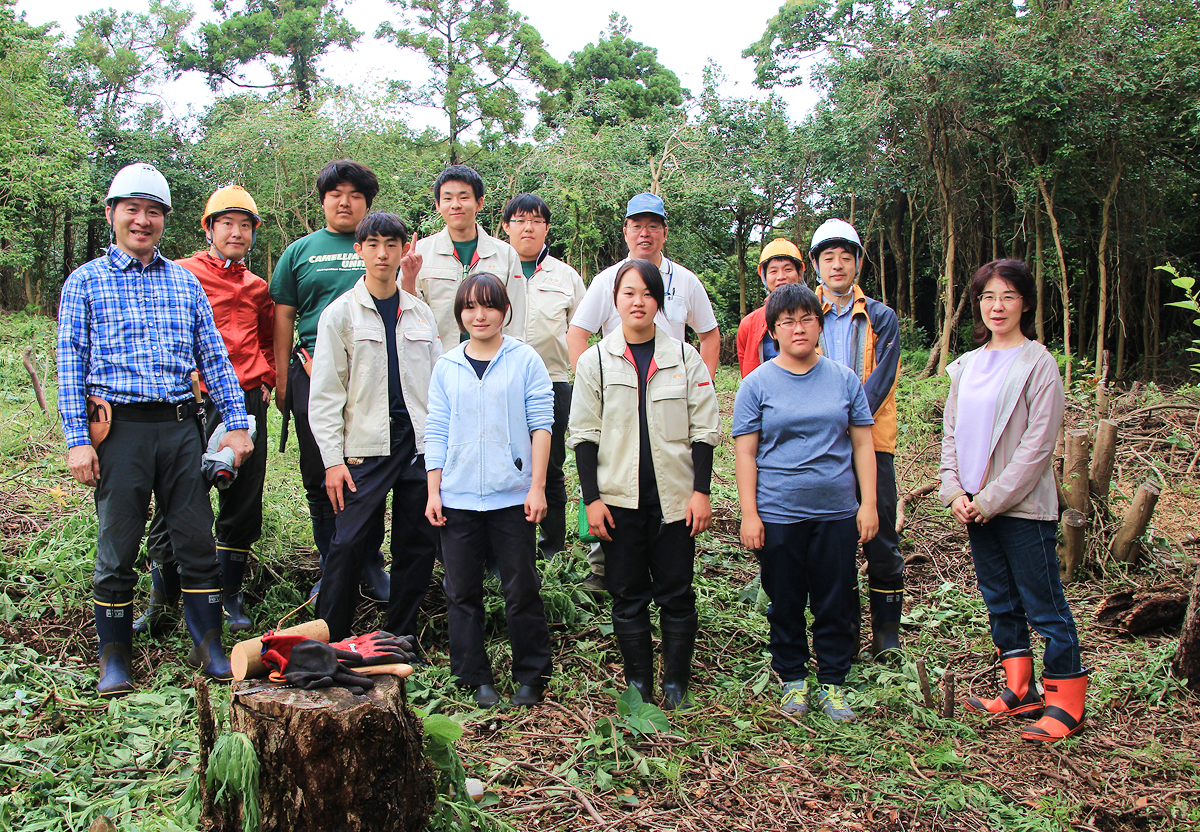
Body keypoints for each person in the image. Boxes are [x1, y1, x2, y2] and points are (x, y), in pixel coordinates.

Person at [57, 163, 253, 697]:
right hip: (118, 431)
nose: (142, 221)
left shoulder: (182, 282)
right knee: (117, 547)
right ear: (112, 215)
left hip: (178, 428)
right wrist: (77, 439)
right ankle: (115, 655)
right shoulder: (85, 283)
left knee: (195, 538)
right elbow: (71, 363)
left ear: (165, 219)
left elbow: (212, 355)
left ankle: (209, 642)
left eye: (153, 212)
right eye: (132, 210)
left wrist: (236, 425)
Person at [940, 258, 1086, 744]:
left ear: (1024, 302)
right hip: (975, 507)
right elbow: (952, 435)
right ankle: (1019, 690)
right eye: (987, 297)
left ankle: (1066, 700)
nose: (996, 306)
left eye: (1007, 296)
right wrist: (955, 491)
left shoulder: (1039, 365)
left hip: (1021, 509)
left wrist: (992, 498)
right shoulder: (966, 366)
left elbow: (1038, 446)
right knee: (999, 601)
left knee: (1044, 605)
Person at [568, 259, 720, 711]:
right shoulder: (596, 359)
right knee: (628, 593)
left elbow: (705, 429)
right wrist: (592, 500)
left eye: (647, 293)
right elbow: (583, 434)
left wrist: (701, 492)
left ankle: (676, 680)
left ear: (659, 301)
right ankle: (639, 682)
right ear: (615, 300)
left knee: (676, 591)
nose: (638, 301)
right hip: (617, 501)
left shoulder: (685, 357)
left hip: (674, 500)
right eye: (628, 293)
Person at [733, 282, 878, 722]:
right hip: (779, 511)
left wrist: (867, 504)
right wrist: (750, 515)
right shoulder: (757, 384)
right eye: (787, 322)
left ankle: (834, 682)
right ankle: (792, 677)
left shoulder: (843, 378)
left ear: (819, 323)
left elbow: (863, 445)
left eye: (806, 319)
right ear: (773, 331)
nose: (798, 328)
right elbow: (745, 453)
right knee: (786, 597)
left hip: (836, 510)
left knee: (836, 598)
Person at [134, 186, 275, 638]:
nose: (237, 233)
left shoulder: (257, 287)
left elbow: (269, 337)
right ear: (209, 228)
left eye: (245, 225)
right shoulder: (181, 274)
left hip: (247, 399)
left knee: (243, 497)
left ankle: (229, 596)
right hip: (195, 399)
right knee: (178, 495)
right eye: (227, 223)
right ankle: (163, 599)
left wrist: (267, 377)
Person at [567, 193, 721, 592]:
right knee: (617, 486)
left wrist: (699, 383)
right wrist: (593, 382)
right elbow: (578, 332)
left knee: (671, 496)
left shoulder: (686, 281)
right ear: (625, 230)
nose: (645, 232)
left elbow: (709, 334)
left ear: (665, 232)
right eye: (637, 224)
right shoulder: (607, 280)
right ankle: (607, 568)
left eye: (653, 225)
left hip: (670, 400)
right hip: (619, 401)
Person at [424, 273, 554, 709]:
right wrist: (433, 490)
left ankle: (531, 675)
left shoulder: (525, 360)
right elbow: (436, 430)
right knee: (461, 592)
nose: (479, 316)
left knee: (521, 588)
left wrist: (536, 487)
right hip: (458, 498)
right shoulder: (447, 365)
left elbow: (541, 425)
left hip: (512, 496)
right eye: (470, 307)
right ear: (460, 314)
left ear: (505, 310)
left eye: (489, 306)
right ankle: (473, 676)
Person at [309, 212, 441, 643]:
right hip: (365, 446)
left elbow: (437, 387)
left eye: (392, 244)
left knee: (417, 544)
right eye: (373, 244)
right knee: (346, 544)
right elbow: (326, 394)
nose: (383, 253)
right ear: (359, 250)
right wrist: (332, 461)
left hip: (416, 445)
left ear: (405, 249)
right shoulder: (340, 315)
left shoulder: (420, 313)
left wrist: (441, 451)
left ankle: (398, 637)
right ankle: (331, 640)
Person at [270, 160, 391, 604]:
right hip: (312, 372)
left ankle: (371, 563)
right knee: (320, 471)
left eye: (355, 195)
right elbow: (283, 313)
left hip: (371, 377)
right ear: (322, 201)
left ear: (367, 204)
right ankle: (330, 564)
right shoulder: (299, 252)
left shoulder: (380, 247)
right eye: (336, 194)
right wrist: (283, 378)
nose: (345, 202)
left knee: (370, 470)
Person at [809, 219, 905, 661]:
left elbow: (881, 380)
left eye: (846, 256)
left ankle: (887, 633)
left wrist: (848, 417)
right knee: (836, 539)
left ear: (859, 263)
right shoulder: (805, 314)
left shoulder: (882, 317)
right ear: (815, 265)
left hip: (873, 443)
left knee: (881, 533)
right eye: (828, 257)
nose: (838, 265)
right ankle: (842, 633)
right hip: (823, 448)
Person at [501, 193, 587, 558]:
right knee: (505, 465)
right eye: (519, 220)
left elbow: (582, 329)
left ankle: (551, 549)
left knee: (549, 467)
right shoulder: (493, 271)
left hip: (553, 383)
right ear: (506, 227)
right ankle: (508, 548)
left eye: (536, 220)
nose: (528, 227)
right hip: (500, 382)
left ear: (547, 227)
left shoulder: (566, 276)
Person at [406, 165, 525, 347]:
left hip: (492, 361)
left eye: (463, 197)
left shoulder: (505, 254)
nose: (455, 205)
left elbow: (514, 319)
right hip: (438, 361)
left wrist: (512, 358)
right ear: (438, 205)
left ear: (479, 203)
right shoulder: (420, 254)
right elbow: (411, 313)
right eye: (447, 198)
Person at [736, 238, 806, 378]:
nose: (781, 277)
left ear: (799, 274)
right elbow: (747, 377)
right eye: (773, 271)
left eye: (788, 269)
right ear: (764, 277)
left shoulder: (815, 316)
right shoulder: (749, 324)